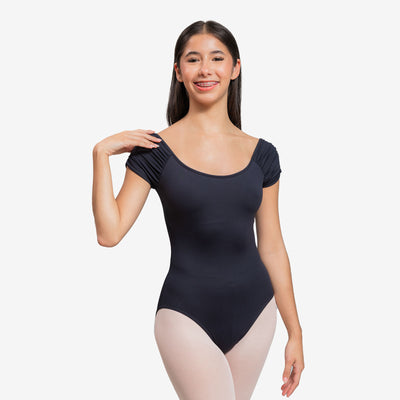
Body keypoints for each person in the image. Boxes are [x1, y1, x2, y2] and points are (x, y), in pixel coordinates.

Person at [92, 20, 304, 399]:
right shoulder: (154, 151)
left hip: (256, 313)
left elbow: (272, 247)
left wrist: (295, 333)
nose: (206, 69)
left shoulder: (263, 155)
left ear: (235, 68)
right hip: (185, 314)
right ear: (178, 71)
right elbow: (109, 233)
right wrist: (100, 154)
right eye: (193, 59)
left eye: (217, 58)